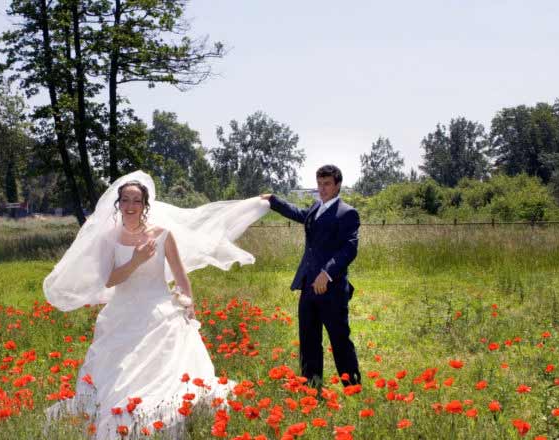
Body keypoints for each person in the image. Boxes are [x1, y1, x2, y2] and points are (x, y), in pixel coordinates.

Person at [43, 171, 269, 439]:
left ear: (144, 205)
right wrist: (135, 261)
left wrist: (188, 305)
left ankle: (174, 416)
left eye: (136, 201)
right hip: (123, 311)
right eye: (125, 200)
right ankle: (122, 416)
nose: (129, 206)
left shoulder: (162, 234)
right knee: (122, 370)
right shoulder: (110, 238)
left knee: (173, 368)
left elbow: (180, 274)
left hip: (161, 309)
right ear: (118, 204)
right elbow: (109, 280)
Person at [261, 164, 361, 387]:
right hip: (308, 286)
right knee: (308, 339)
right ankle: (311, 387)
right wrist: (273, 201)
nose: (322, 188)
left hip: (332, 289)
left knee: (339, 339)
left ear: (337, 185)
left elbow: (349, 249)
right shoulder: (316, 209)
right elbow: (298, 213)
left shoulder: (347, 213)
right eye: (319, 184)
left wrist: (327, 273)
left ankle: (353, 387)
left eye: (327, 184)